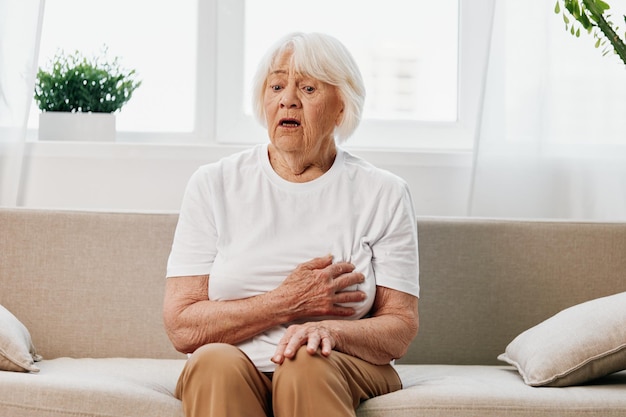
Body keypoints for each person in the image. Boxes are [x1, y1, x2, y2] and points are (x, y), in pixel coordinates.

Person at [163, 32, 420, 417]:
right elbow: (182, 326)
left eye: (308, 88)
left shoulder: (383, 193)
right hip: (234, 363)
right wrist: (284, 303)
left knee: (304, 364)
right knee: (213, 363)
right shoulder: (214, 184)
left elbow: (399, 327)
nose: (287, 99)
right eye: (277, 85)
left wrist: (330, 331)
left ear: (341, 107)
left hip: (338, 363)